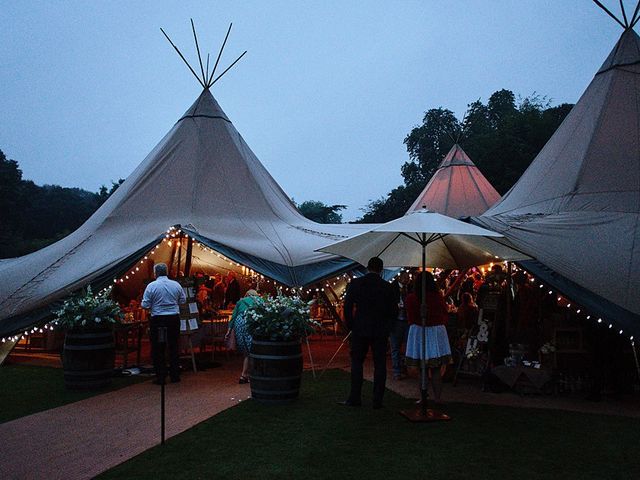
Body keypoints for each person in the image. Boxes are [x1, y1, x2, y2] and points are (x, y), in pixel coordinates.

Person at [340, 257, 398, 409]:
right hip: (380, 330)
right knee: (380, 365)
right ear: (381, 269)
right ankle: (377, 401)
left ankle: (355, 397)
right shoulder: (387, 287)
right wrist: (388, 327)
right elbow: (394, 311)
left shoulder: (356, 284)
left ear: (367, 267)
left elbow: (347, 308)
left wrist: (351, 326)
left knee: (357, 363)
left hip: (360, 328)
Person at [405, 271, 451, 405]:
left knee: (422, 369)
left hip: (419, 332)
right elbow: (444, 312)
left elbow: (410, 316)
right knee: (435, 369)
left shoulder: (411, 298)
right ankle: (437, 398)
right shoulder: (437, 297)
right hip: (435, 332)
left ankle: (423, 397)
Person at [141, 263, 186, 384]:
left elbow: (144, 305)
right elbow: (183, 300)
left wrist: (155, 304)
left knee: (158, 347)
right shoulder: (176, 285)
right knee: (173, 345)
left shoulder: (151, 286)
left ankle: (160, 376)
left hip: (158, 318)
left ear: (156, 273)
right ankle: (175, 375)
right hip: (173, 318)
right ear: (166, 272)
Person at [225, 289, 260, 384]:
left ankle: (244, 376)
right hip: (250, 322)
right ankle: (252, 374)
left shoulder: (240, 302)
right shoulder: (259, 300)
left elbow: (233, 317)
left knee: (246, 352)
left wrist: (228, 331)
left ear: (246, 295)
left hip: (239, 323)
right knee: (253, 349)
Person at [390, 271, 411, 380]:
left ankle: (403, 368)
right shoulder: (392, 288)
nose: (407, 279)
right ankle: (397, 371)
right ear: (400, 277)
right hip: (396, 320)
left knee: (407, 346)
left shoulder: (409, 289)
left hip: (407, 320)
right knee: (395, 347)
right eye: (406, 277)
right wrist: (396, 305)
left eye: (408, 278)